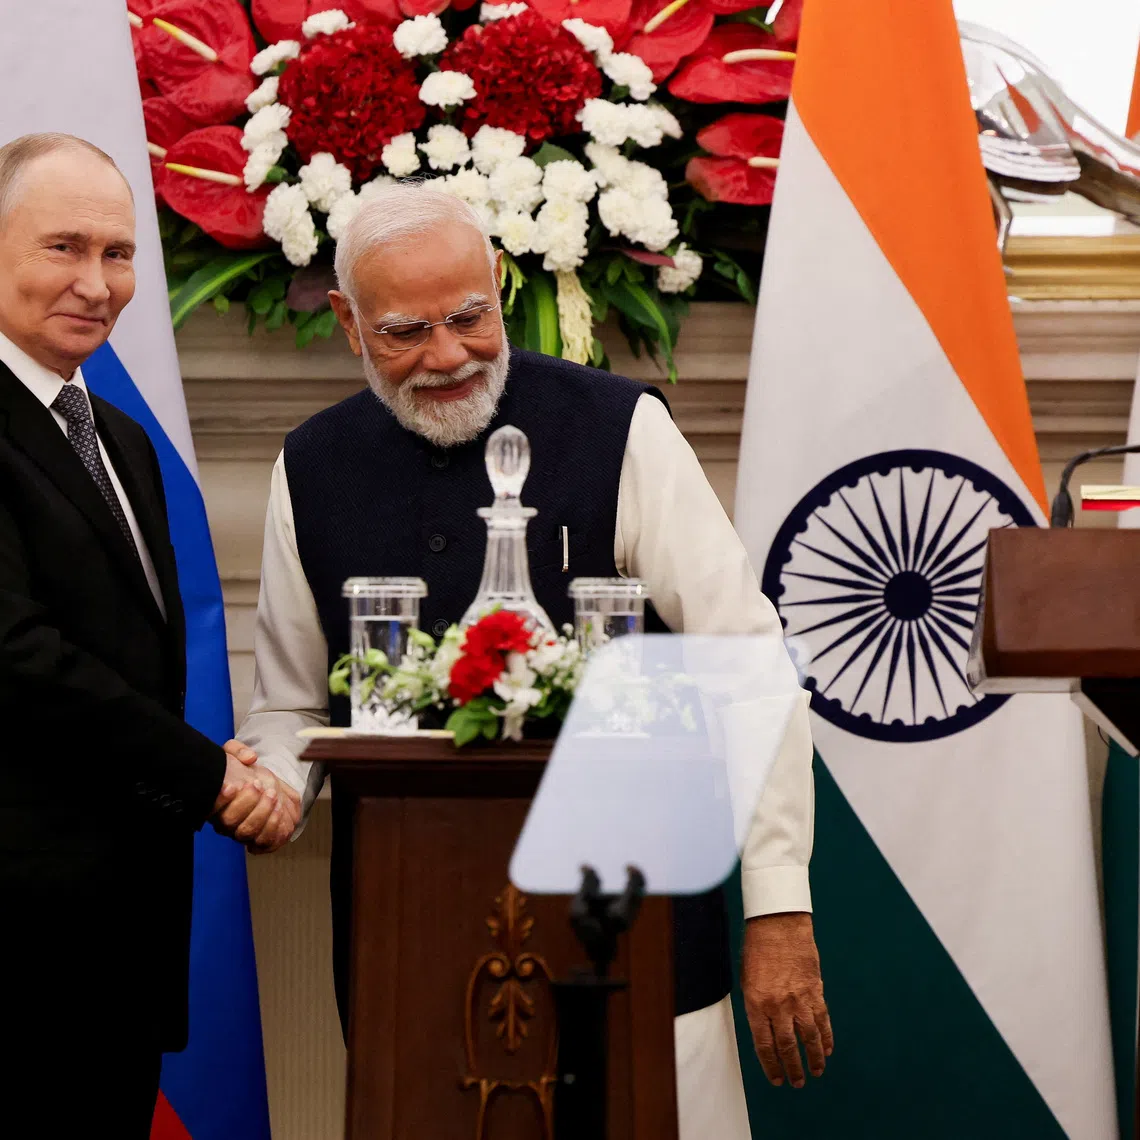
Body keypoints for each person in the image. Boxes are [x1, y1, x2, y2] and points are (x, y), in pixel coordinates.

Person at [239, 181, 832, 1136]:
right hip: (412, 949)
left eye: (470, 317)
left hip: (641, 940)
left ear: (502, 284)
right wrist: (268, 787)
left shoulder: (620, 428)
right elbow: (293, 705)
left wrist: (777, 907)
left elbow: (745, 664)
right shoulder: (309, 467)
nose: (447, 356)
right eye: (404, 332)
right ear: (349, 324)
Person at [0, 133, 300, 1134]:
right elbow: (20, 660)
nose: (98, 283)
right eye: (63, 248)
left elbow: (128, 659)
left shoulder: (116, 437)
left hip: (115, 953)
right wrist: (209, 775)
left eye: (119, 253)